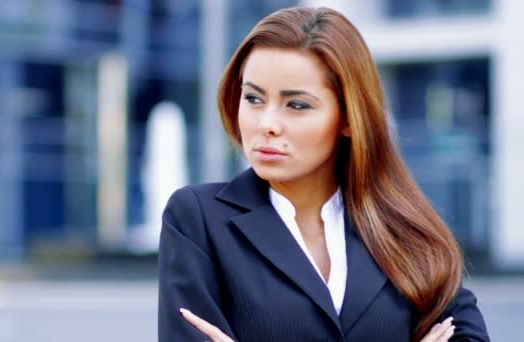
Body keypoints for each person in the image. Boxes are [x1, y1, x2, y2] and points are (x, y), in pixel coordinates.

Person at [158, 6, 489, 342]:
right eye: (254, 98)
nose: (267, 124)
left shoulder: (403, 229)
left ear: (348, 117)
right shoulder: (198, 219)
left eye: (297, 105)